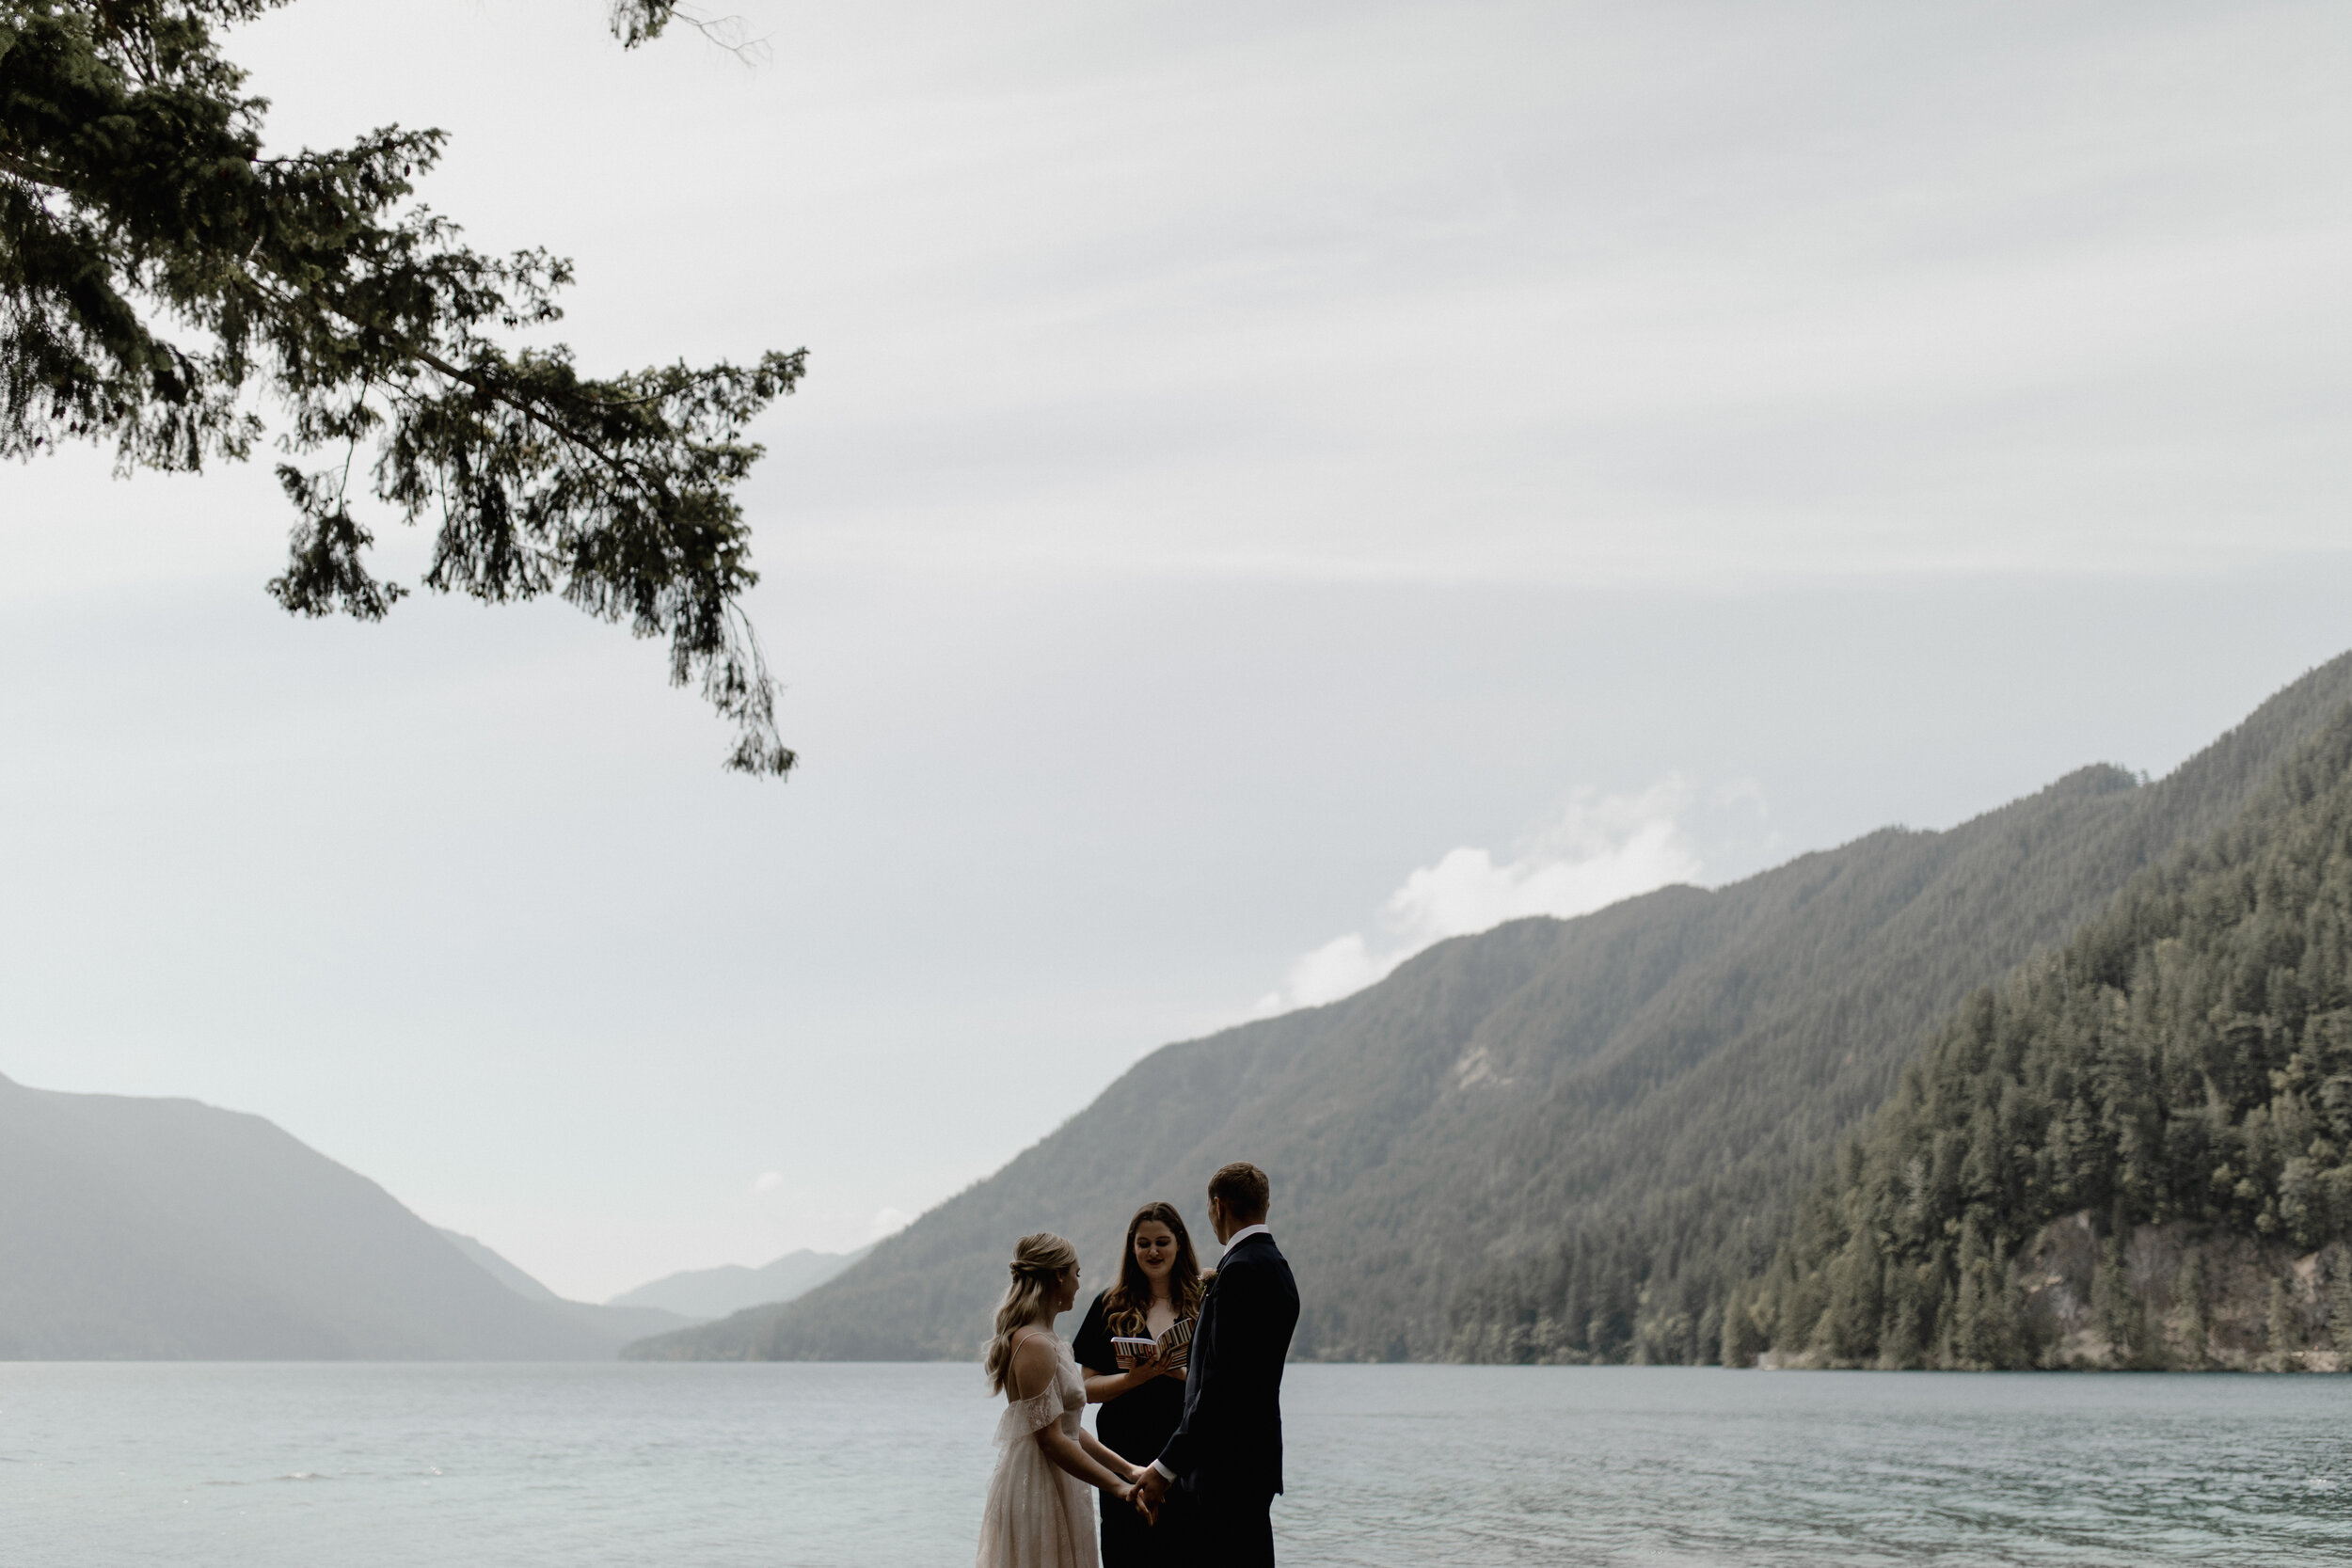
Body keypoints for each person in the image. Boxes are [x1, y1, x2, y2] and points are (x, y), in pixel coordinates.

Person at [1133, 1163, 1299, 1567]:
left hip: (1227, 1469)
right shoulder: (1276, 1266)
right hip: (1251, 1462)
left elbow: (1221, 1389)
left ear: (1217, 1206)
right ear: (1266, 1206)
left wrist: (1165, 1467)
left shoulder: (1240, 1271)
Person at [976, 1232, 1148, 1568]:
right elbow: (1051, 1439)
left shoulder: (1049, 1339)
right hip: (1040, 1485)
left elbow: (1068, 1428)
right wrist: (1118, 1488)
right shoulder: (1035, 1343)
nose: (1078, 1284)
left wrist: (1127, 1469)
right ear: (1058, 1276)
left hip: (1061, 1479)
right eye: (1076, 1274)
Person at [1071, 1203, 1207, 1566]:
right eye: (1144, 1243)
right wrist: (1135, 1378)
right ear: (1132, 1247)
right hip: (1123, 1454)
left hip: (1185, 1456)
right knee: (1125, 1553)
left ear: (1179, 1243)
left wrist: (1179, 1375)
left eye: (1162, 1241)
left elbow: (1220, 1386)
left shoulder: (1203, 1304)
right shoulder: (1109, 1305)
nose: (1153, 1251)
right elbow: (1086, 1390)